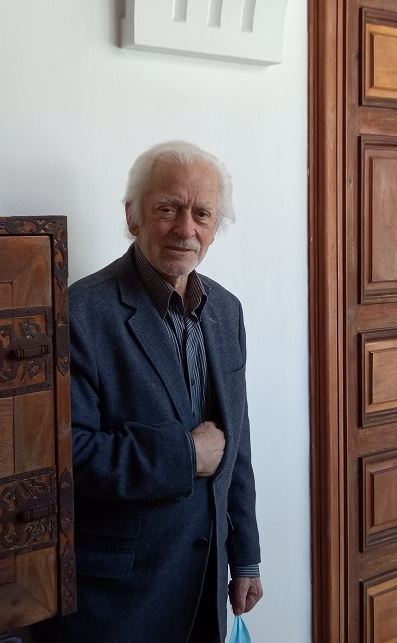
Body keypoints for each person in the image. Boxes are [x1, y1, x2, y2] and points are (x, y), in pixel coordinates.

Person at [31, 140, 263, 642]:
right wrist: (184, 456)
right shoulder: (80, 314)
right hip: (117, 600)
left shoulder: (227, 312)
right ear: (133, 217)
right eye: (168, 209)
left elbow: (237, 444)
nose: (186, 229)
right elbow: (65, 456)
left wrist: (245, 557)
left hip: (203, 587)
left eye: (202, 214)